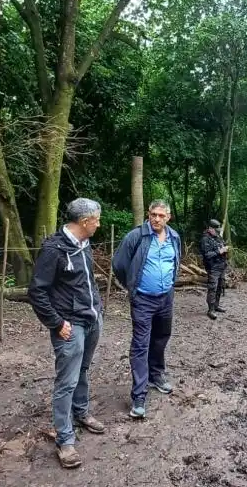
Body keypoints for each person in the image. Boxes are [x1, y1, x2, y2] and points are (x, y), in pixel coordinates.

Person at [28, 198, 106, 469]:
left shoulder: (85, 244)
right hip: (70, 325)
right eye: (96, 219)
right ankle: (65, 439)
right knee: (67, 381)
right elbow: (37, 291)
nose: (99, 223)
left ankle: (82, 412)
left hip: (92, 320)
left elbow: (87, 281)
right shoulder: (53, 249)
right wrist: (57, 323)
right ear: (84, 222)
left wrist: (98, 309)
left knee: (83, 370)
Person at [113, 200, 182, 419]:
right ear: (148, 214)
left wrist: (170, 283)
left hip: (166, 298)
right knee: (141, 344)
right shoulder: (136, 236)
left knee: (161, 337)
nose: (156, 219)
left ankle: (156, 375)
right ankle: (139, 395)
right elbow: (119, 264)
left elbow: (176, 262)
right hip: (143, 299)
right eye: (153, 214)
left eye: (161, 215)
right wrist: (132, 285)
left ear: (168, 217)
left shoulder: (174, 237)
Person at [199, 218, 229, 319]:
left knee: (220, 286)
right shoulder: (205, 239)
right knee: (213, 288)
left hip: (221, 266)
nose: (217, 232)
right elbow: (207, 255)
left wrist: (225, 249)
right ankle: (210, 309)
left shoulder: (218, 237)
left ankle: (216, 306)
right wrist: (219, 251)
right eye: (215, 230)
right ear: (210, 228)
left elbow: (222, 245)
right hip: (213, 267)